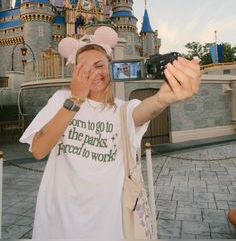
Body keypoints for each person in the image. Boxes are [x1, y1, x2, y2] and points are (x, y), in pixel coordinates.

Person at [20, 27, 201, 239]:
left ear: (111, 67)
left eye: (99, 65)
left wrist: (163, 98)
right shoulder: (61, 100)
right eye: (83, 68)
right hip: (59, 223)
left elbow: (146, 109)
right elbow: (39, 150)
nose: (93, 74)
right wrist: (76, 99)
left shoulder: (123, 109)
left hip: (108, 224)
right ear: (74, 72)